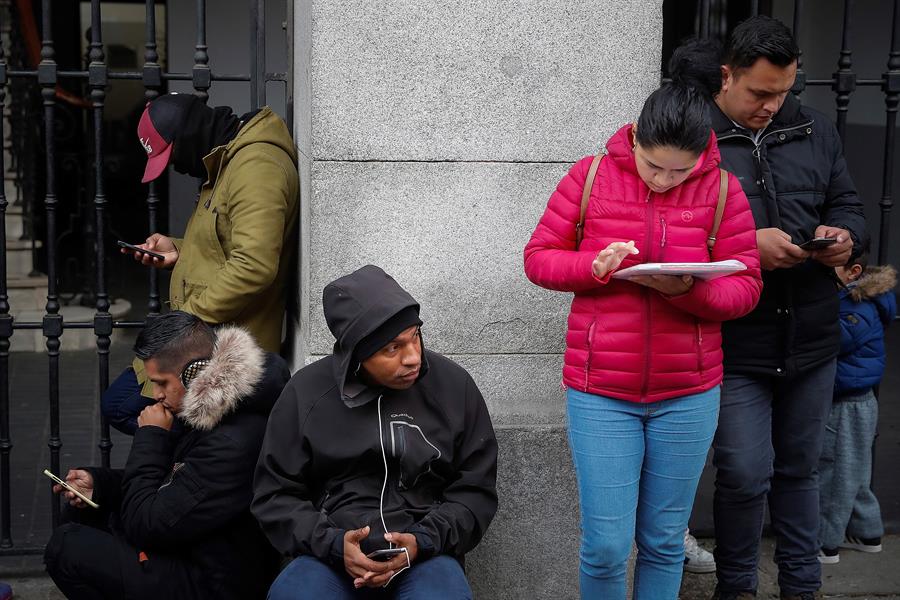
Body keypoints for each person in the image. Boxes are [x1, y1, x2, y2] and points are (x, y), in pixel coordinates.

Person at [522, 47, 762, 599]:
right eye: (654, 165)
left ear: (701, 156)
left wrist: (688, 293)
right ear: (633, 141)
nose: (663, 180)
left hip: (689, 390)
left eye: (680, 171)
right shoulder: (589, 176)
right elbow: (538, 258)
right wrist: (594, 266)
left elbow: (745, 286)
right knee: (606, 546)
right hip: (601, 389)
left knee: (663, 541)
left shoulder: (722, 190)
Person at [675, 18, 867, 600]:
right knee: (742, 473)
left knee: (801, 471)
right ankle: (736, 590)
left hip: (811, 334)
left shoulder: (816, 128)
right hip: (734, 338)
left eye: (784, 91)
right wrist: (746, 246)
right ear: (727, 76)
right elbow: (666, 232)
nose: (772, 105)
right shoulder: (690, 136)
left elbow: (849, 203)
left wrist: (846, 238)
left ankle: (801, 589)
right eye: (760, 92)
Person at [252, 265, 498, 599]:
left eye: (415, 337)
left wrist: (423, 541)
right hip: (328, 554)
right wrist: (334, 544)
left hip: (425, 552)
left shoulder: (453, 386)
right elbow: (275, 495)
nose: (413, 357)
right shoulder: (305, 394)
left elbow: (475, 491)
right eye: (393, 348)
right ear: (358, 354)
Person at [44, 311, 290, 600]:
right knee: (83, 510)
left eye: (161, 383)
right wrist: (99, 484)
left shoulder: (231, 442)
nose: (156, 395)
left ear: (195, 373)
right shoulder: (210, 407)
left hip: (214, 582)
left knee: (67, 548)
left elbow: (146, 525)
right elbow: (168, 482)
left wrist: (150, 437)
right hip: (190, 546)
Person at [103, 92, 299, 435]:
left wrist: (187, 321)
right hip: (205, 336)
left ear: (188, 136)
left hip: (220, 344)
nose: (177, 167)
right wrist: (179, 250)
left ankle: (193, 465)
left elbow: (254, 264)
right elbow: (227, 241)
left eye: (173, 155)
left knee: (121, 406)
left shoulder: (256, 168)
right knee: (124, 403)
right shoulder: (227, 160)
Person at [818, 247, 896, 564]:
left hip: (847, 402)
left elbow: (832, 341)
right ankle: (867, 531)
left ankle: (826, 541)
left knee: (836, 473)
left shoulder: (856, 306)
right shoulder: (861, 301)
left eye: (831, 270)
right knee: (855, 471)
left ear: (854, 273)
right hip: (858, 400)